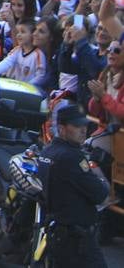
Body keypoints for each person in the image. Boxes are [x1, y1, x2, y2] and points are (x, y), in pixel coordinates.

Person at [41, 104, 110, 268]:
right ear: (62, 128)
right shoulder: (72, 158)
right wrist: (98, 173)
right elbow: (100, 193)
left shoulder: (47, 152)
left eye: (85, 125)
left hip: (57, 233)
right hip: (77, 241)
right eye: (77, 126)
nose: (83, 130)